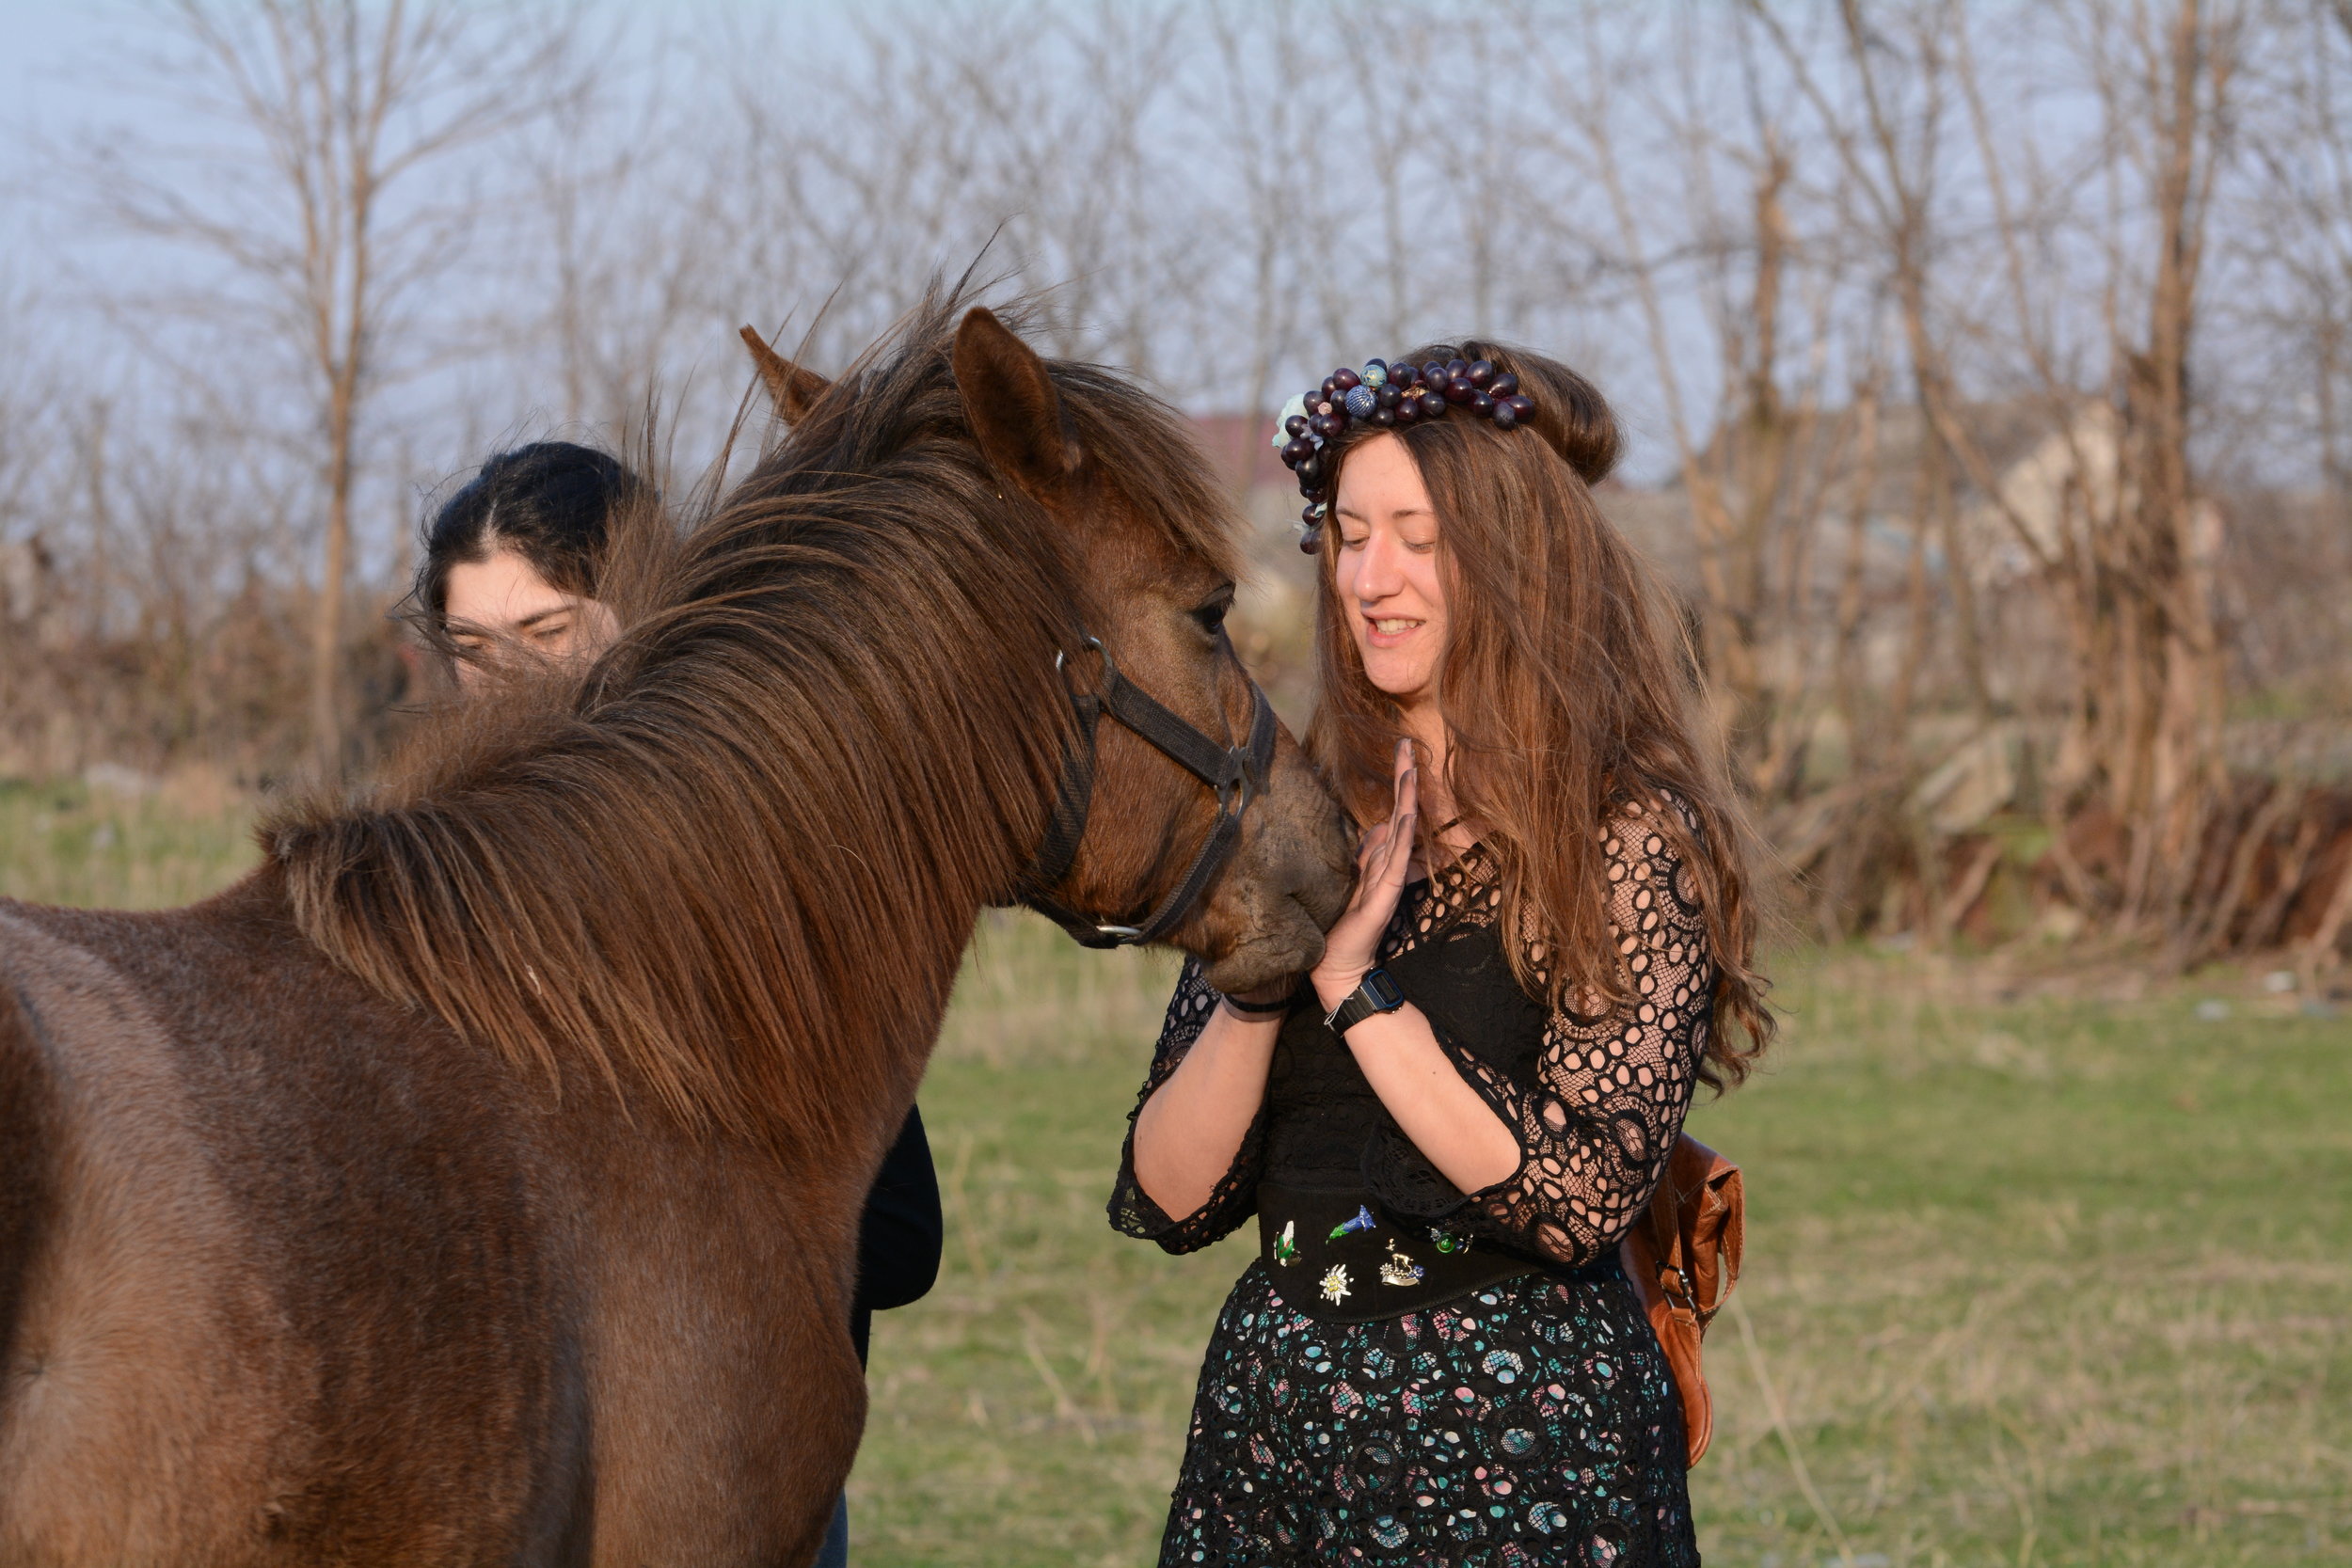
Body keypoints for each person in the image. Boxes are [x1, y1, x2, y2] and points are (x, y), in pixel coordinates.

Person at [1108, 346, 1773, 1566]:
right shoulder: (1300, 822)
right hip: (1278, 1438)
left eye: (1417, 535)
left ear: (1517, 555)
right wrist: (1268, 975)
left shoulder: (1622, 835)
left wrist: (1361, 992)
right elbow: (1167, 1194)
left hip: (1518, 1443)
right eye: (1351, 534)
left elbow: (1579, 1200)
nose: (1372, 575)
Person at [417, 440, 943, 1567]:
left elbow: (899, 1239)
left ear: (647, 610)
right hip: (487, 1476)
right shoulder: (423, 902)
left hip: (730, 1475)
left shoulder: (769, 883)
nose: (506, 681)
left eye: (549, 633)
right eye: (471, 648)